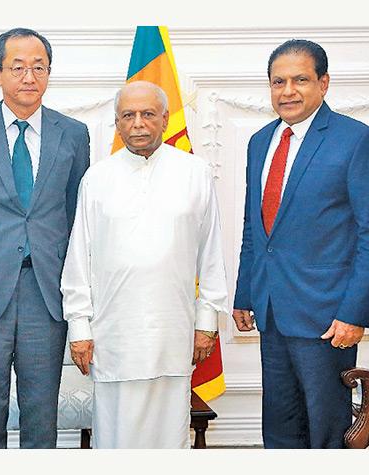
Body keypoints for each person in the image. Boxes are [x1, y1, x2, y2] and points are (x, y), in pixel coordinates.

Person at [232, 39, 369, 449]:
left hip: (327, 319)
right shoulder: (258, 142)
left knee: (325, 432)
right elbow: (256, 228)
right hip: (271, 311)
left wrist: (354, 312)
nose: (288, 91)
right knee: (281, 430)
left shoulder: (355, 139)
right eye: (278, 82)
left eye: (300, 80)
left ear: (323, 83)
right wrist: (246, 293)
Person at [61, 81, 229, 449]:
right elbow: (78, 261)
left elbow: (212, 254)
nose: (138, 123)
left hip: (173, 333)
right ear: (117, 123)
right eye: (128, 115)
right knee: (116, 435)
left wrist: (206, 324)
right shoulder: (97, 179)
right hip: (113, 336)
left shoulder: (194, 172)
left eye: (148, 114)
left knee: (169, 437)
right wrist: (79, 328)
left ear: (165, 119)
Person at [0, 27, 90, 448]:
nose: (29, 77)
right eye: (18, 67)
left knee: (41, 411)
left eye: (38, 67)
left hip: (46, 290)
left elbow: (74, 211)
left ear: (49, 73)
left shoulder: (73, 133)